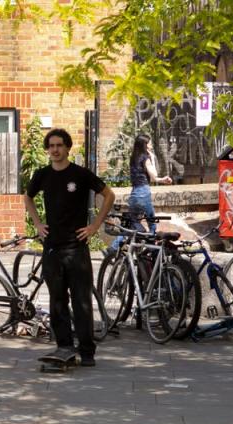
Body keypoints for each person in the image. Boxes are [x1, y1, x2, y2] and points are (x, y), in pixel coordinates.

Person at [24, 128, 116, 366]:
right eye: (51, 146)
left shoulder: (81, 174)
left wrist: (95, 225)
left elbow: (109, 195)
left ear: (67, 148)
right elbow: (28, 197)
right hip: (53, 248)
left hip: (77, 249)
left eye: (59, 145)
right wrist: (37, 222)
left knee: (81, 301)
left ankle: (87, 352)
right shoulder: (42, 175)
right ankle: (64, 346)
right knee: (57, 301)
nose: (55, 150)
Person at [111, 134, 172, 252]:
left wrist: (162, 180)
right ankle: (153, 249)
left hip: (134, 194)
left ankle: (113, 248)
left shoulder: (134, 157)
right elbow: (153, 176)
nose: (150, 145)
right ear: (144, 145)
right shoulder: (146, 158)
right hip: (143, 193)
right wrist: (152, 158)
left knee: (132, 225)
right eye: (148, 143)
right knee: (152, 222)